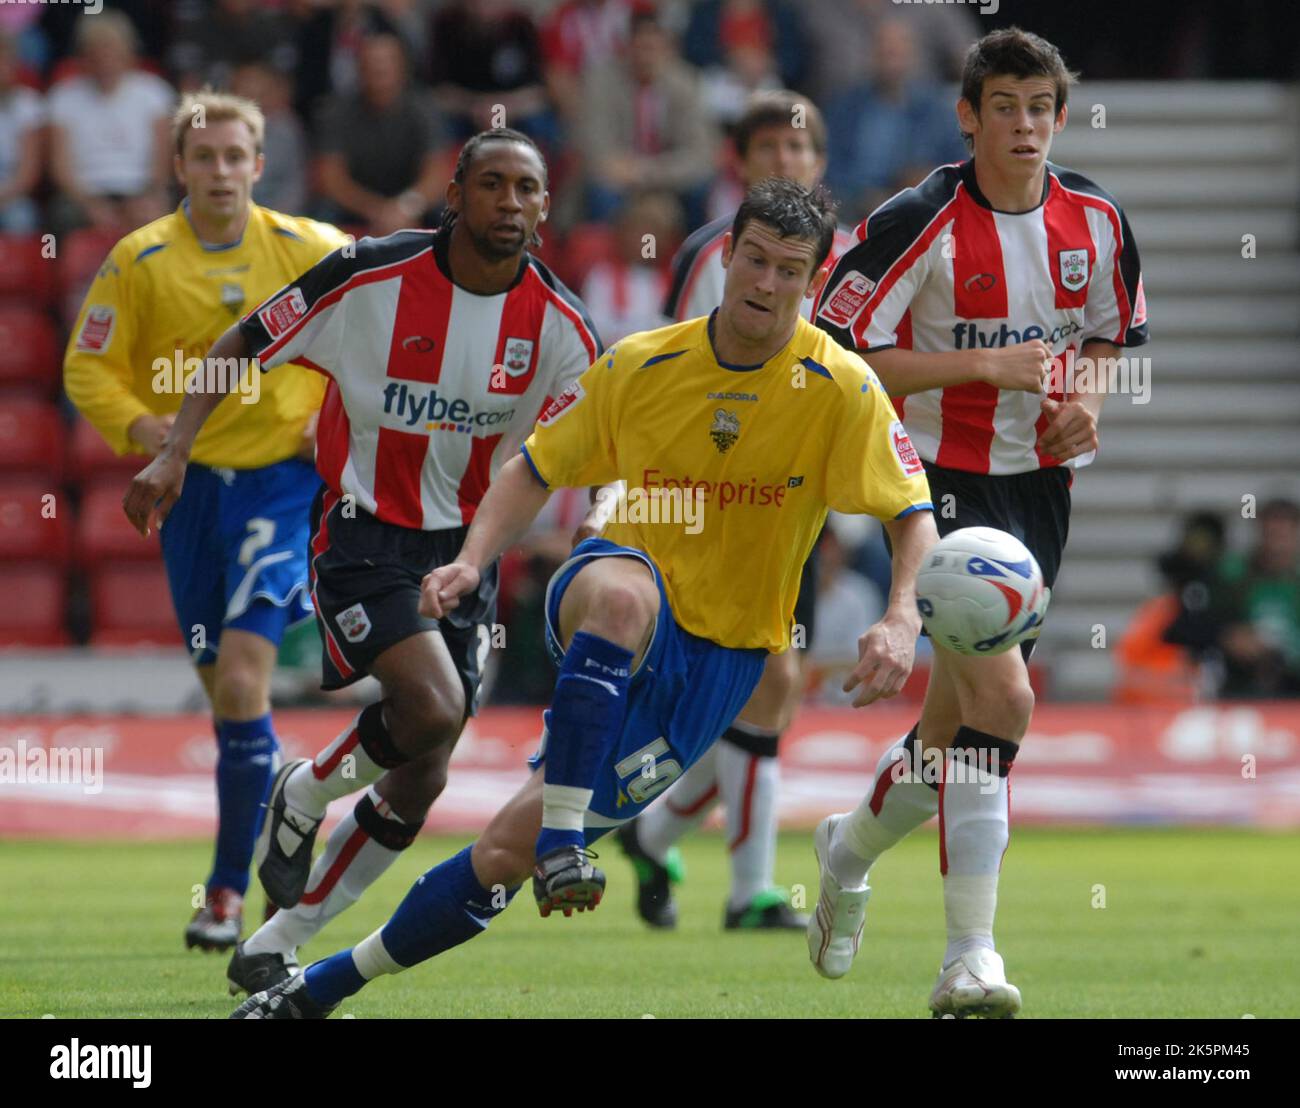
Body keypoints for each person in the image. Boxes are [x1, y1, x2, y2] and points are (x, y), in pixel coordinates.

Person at [229, 177, 938, 1019]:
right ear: (730, 258)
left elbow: (911, 512)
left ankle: (316, 988)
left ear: (814, 281)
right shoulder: (644, 363)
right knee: (623, 600)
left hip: (719, 663)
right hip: (616, 583)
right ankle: (566, 840)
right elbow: (534, 466)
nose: (767, 284)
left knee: (498, 853)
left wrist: (901, 616)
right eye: (754, 261)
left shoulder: (842, 388)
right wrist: (472, 560)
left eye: (791, 271)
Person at [123, 128, 600, 997]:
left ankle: (276, 940)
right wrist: (175, 451)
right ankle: (304, 792)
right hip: (362, 532)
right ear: (454, 196)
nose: (510, 204)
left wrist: (598, 534)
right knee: (431, 705)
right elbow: (241, 342)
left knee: (427, 766)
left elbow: (592, 449)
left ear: (544, 207)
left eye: (526, 190)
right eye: (491, 186)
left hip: (467, 553)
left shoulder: (564, 328)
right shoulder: (367, 275)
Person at [809, 27, 1148, 1017]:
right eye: (1004, 107)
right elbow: (838, 351)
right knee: (1003, 699)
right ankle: (969, 958)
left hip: (1038, 488)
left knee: (954, 726)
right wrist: (977, 365)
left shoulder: (1095, 219)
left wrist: (1086, 399)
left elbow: (1108, 337)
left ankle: (849, 845)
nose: (1024, 125)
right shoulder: (920, 217)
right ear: (968, 116)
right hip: (932, 479)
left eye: (1039, 107)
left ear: (1059, 116)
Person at [64, 91, 351, 952]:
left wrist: (328, 421)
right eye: (205, 157)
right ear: (179, 168)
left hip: (278, 490)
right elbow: (89, 367)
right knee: (229, 704)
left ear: (260, 166)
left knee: (240, 678)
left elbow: (378, 337)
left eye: (236, 156)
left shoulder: (312, 249)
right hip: (190, 499)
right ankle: (278, 801)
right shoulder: (140, 258)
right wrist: (151, 432)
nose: (221, 171)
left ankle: (226, 897)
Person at [616, 90, 855, 932]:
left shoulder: (848, 260)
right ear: (743, 166)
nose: (786, 161)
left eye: (800, 148)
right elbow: (670, 376)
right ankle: (749, 890)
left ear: (820, 163)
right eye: (769, 149)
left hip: (798, 505)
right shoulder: (707, 253)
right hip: (711, 503)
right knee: (764, 680)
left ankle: (655, 828)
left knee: (767, 697)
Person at [47, 10, 173, 234]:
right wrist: (89, 203)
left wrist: (147, 195)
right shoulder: (63, 97)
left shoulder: (154, 92)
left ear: (128, 53)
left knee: (159, 212)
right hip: (83, 194)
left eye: (112, 50)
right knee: (62, 214)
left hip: (140, 189)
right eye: (96, 52)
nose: (105, 60)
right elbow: (60, 167)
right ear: (83, 56)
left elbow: (162, 161)